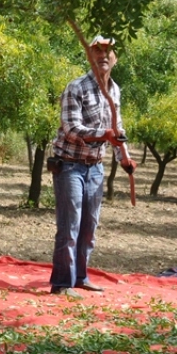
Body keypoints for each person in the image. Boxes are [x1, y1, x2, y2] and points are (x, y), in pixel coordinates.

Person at [47, 35, 136, 298]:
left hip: (95, 167)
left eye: (108, 51)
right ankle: (62, 284)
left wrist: (124, 157)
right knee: (70, 225)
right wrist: (104, 135)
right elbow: (71, 129)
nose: (103, 55)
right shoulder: (76, 87)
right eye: (97, 50)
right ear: (89, 55)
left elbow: (117, 130)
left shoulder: (115, 90)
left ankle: (80, 278)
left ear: (115, 58)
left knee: (89, 228)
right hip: (70, 166)